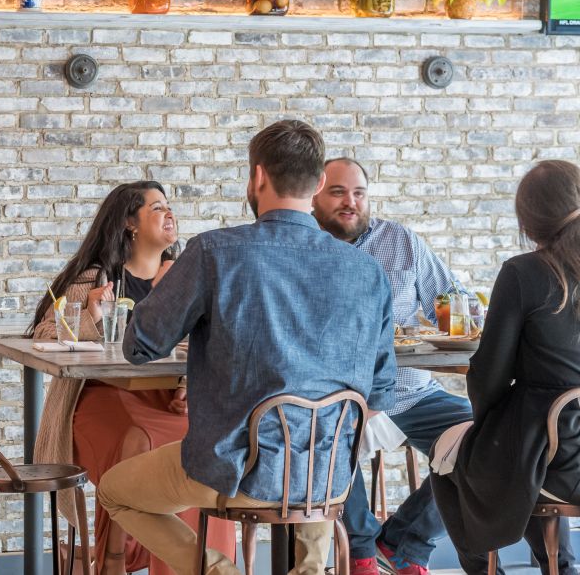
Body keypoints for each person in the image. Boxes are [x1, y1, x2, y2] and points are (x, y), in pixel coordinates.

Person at [97, 120, 397, 575]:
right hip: (328, 477)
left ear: (257, 177)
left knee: (114, 491)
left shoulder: (215, 252)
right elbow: (381, 390)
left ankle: (221, 572)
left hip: (235, 471)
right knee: (306, 470)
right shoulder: (368, 271)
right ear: (318, 185)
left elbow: (140, 346)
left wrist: (169, 299)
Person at [31, 181, 236, 575]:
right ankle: (113, 559)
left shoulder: (185, 279)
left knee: (208, 446)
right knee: (138, 438)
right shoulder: (97, 278)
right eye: (157, 207)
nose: (169, 213)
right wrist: (90, 314)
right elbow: (44, 334)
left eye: (169, 205)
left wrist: (187, 386)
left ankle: (194, 567)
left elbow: (212, 345)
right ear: (129, 223)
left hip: (167, 400)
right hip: (100, 400)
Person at [311, 157, 474, 575]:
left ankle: (403, 544)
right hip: (339, 397)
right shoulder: (301, 245)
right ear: (314, 194)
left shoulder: (402, 242)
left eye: (359, 193)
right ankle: (362, 552)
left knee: (489, 437)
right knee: (322, 437)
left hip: (412, 392)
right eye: (338, 192)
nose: (351, 202)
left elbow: (453, 299)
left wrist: (459, 313)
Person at [431, 160, 580, 575]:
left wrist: (487, 420)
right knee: (522, 453)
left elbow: (490, 377)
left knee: (457, 458)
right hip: (563, 452)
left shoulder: (524, 273)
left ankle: (487, 571)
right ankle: (561, 566)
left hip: (558, 456)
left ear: (529, 222)